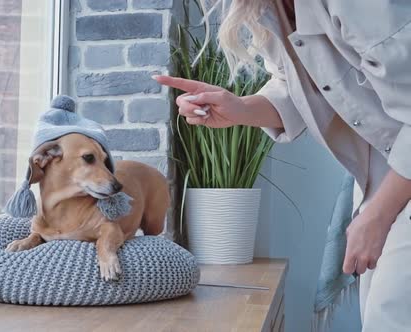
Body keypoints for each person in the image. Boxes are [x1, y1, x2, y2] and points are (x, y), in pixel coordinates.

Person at [153, 0, 411, 331]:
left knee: (391, 317)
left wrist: (376, 217)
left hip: (398, 176)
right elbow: (296, 87)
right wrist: (239, 109)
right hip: (391, 173)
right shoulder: (269, 9)